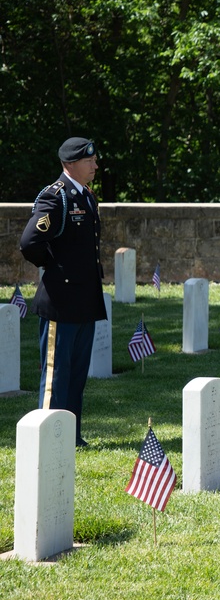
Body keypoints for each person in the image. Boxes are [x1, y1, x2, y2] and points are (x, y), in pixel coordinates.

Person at [19, 137, 106, 448]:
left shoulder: (85, 197)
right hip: (61, 300)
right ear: (70, 164)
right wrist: (55, 270)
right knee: (57, 376)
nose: (95, 165)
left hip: (84, 300)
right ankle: (49, 438)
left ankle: (71, 435)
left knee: (77, 375)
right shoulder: (56, 197)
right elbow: (30, 243)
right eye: (89, 160)